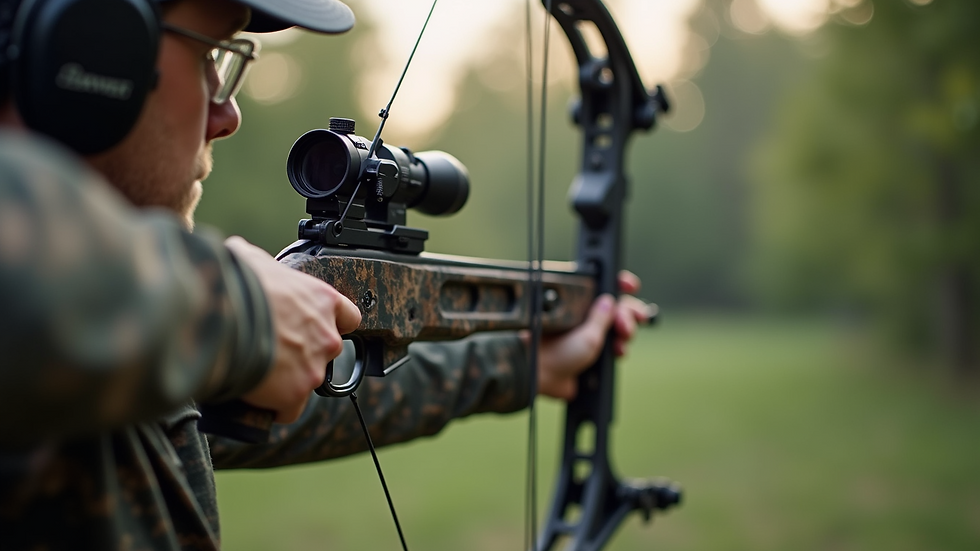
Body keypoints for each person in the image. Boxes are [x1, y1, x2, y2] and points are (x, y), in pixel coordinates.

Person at [0, 0, 649, 548]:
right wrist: (242, 308)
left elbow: (296, 397)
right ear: (85, 52)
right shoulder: (128, 313)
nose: (226, 116)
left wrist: (525, 363)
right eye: (209, 59)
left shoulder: (117, 350)